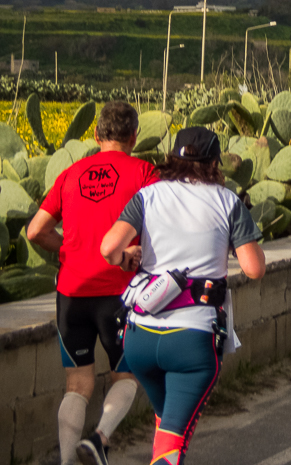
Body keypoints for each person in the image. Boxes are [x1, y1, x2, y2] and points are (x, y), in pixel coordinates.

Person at [99, 127, 266, 465]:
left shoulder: (148, 196)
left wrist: (126, 258)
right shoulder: (227, 201)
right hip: (193, 340)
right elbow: (254, 268)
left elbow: (108, 248)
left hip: (140, 338)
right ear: (215, 162)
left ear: (173, 158)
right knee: (171, 450)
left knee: (166, 427)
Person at [26, 100, 159, 465]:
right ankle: (99, 440)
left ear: (97, 134)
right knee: (127, 376)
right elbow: (163, 230)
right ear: (134, 136)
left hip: (71, 293)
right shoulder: (145, 172)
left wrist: (69, 248)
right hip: (120, 294)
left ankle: (68, 460)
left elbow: (35, 230)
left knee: (78, 386)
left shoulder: (71, 173)